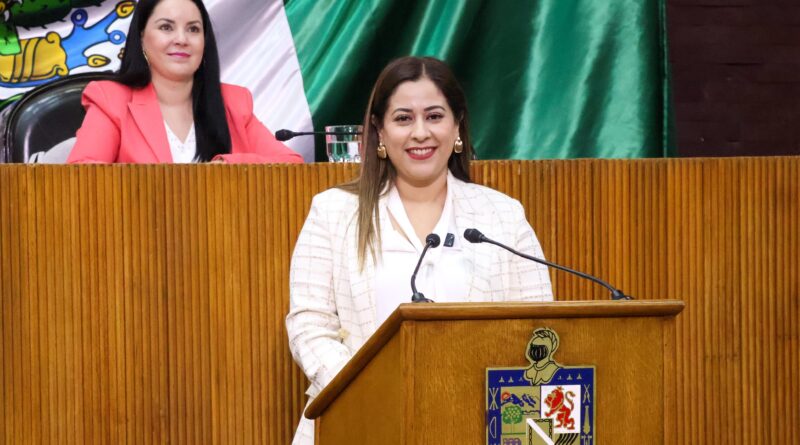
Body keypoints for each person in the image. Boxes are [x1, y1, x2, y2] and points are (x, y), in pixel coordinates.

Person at [285, 56, 554, 444]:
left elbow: (538, 327)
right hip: (359, 420)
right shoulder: (334, 212)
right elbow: (309, 325)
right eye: (403, 119)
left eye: (434, 116)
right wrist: (369, 389)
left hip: (477, 425)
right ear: (379, 131)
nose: (420, 133)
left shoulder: (503, 216)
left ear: (457, 126)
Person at [67, 0, 302, 164]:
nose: (181, 39)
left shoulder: (233, 102)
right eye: (166, 27)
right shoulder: (111, 100)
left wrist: (228, 167)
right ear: (142, 37)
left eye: (193, 29)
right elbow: (83, 177)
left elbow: (291, 165)